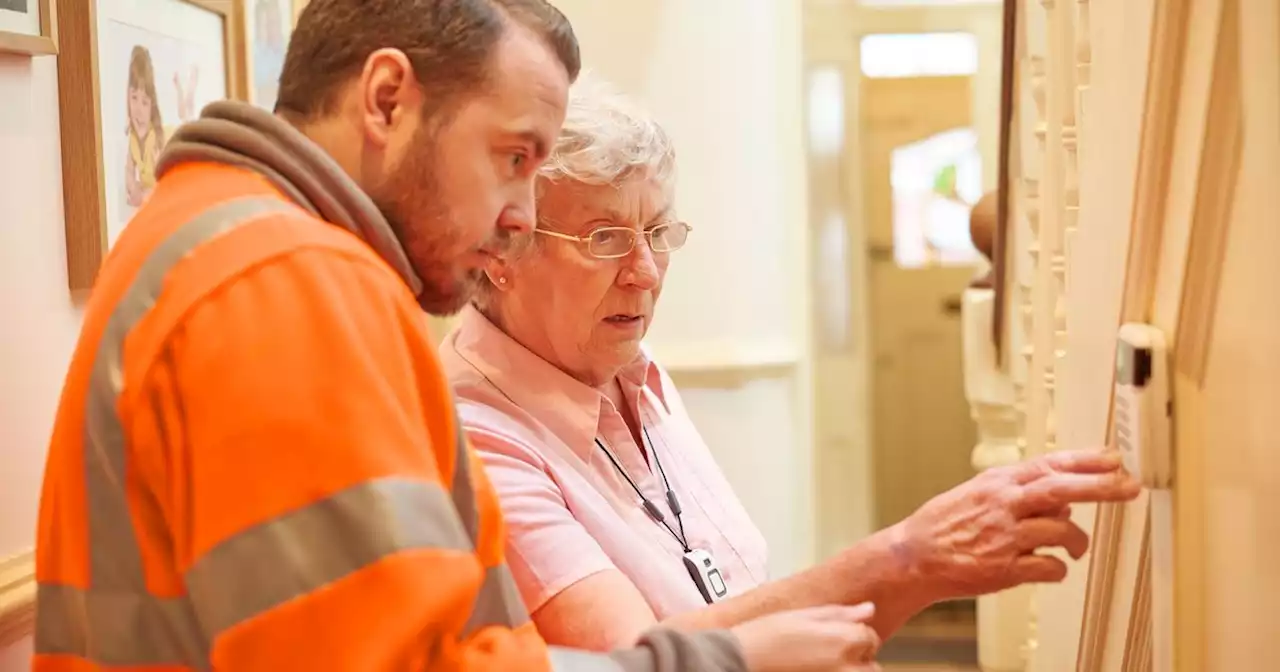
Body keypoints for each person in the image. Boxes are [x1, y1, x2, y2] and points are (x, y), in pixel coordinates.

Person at [32, 2, 881, 671]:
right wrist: (718, 660)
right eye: (513, 157)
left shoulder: (206, 221)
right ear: (387, 101)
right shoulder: (289, 278)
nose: (519, 217)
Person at [438, 74, 1144, 651]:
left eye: (657, 231)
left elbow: (739, 603)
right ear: (503, 252)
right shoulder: (477, 438)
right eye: (603, 238)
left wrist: (920, 569)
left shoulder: (630, 370)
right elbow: (639, 661)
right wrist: (907, 556)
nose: (647, 272)